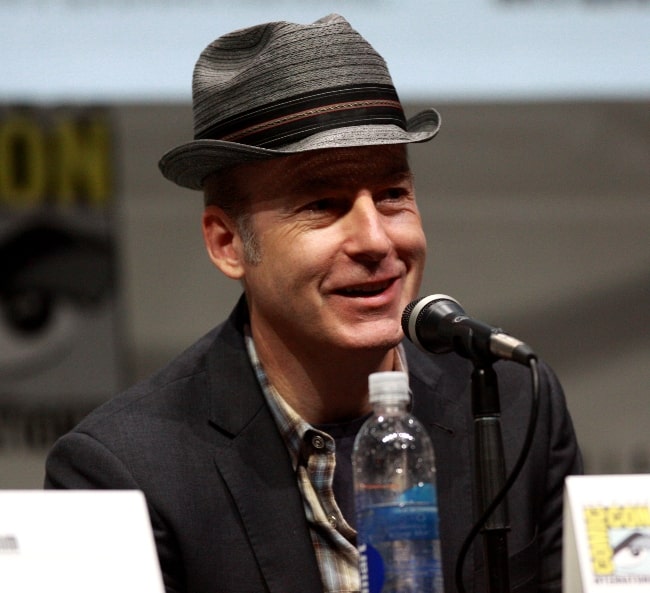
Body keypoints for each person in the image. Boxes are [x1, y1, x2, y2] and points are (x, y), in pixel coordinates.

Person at [44, 13, 582, 593]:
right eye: (322, 204)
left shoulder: (514, 401)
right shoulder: (123, 472)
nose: (377, 240)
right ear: (228, 244)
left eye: (393, 194)